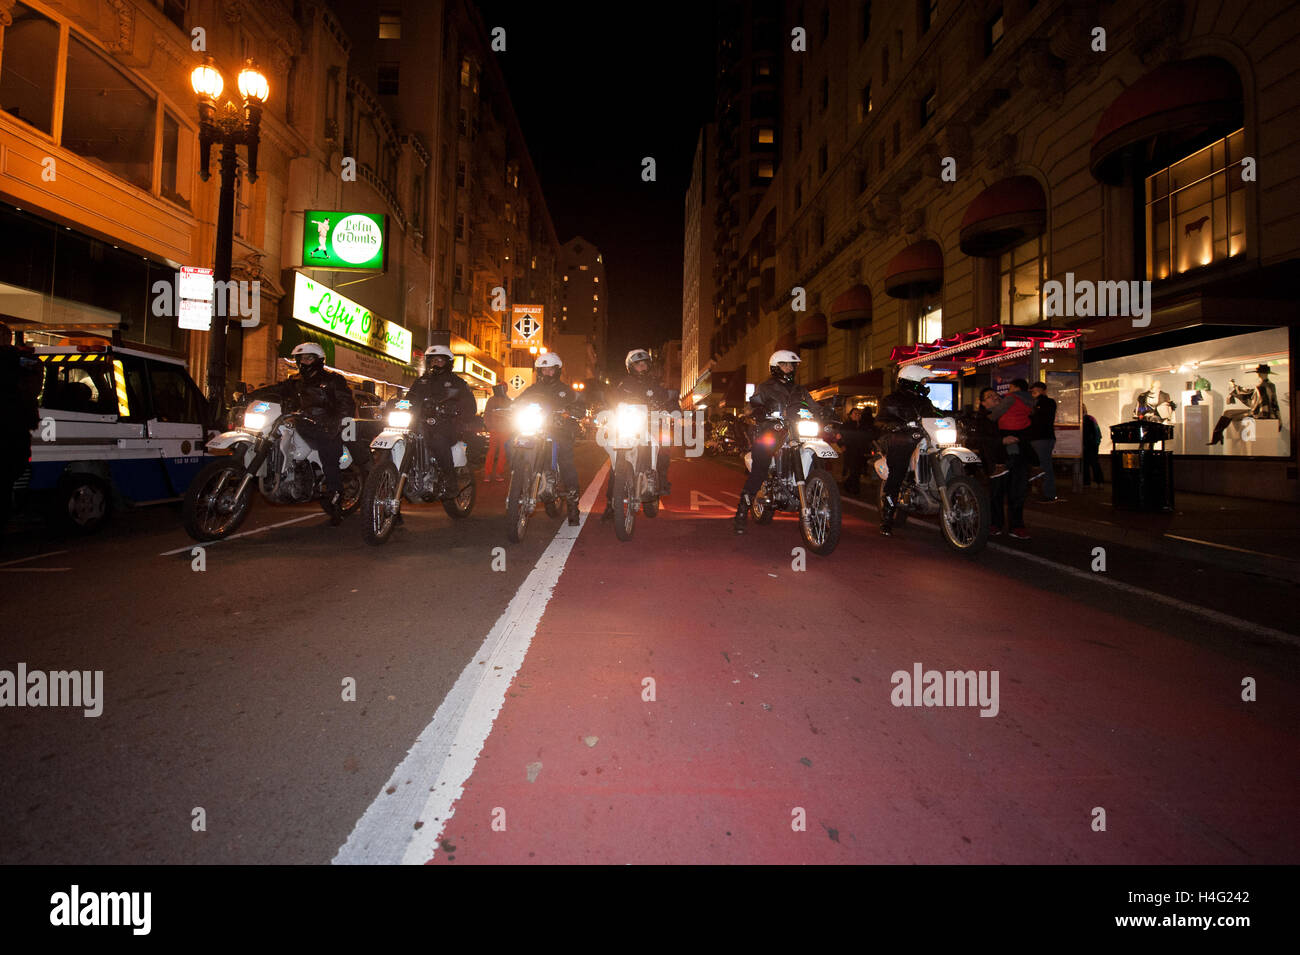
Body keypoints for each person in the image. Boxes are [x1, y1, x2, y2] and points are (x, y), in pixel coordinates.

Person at [733, 349, 824, 535]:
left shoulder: (800, 390)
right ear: (775, 367)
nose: (789, 368)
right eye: (785, 364)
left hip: (796, 432)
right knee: (760, 468)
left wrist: (825, 412)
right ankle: (742, 511)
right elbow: (752, 405)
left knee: (815, 454)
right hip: (771, 431)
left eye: (792, 365)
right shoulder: (765, 388)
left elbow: (813, 406)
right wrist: (756, 411)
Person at [282, 342, 356, 524]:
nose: (304, 362)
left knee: (329, 459)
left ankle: (336, 501)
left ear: (319, 360)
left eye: (308, 358)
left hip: (325, 426)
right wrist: (250, 396)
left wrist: (335, 423)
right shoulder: (295, 381)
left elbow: (346, 404)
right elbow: (276, 391)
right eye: (301, 359)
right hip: (302, 424)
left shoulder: (332, 380)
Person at [602, 348, 676, 521]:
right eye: (638, 364)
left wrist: (671, 409)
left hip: (652, 425)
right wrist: (605, 408)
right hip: (630, 425)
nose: (641, 367)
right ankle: (611, 504)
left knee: (664, 448)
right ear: (630, 367)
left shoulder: (656, 385)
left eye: (644, 364)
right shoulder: (623, 385)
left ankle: (661, 483)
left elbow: (669, 399)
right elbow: (611, 399)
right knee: (617, 462)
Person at [513, 352, 583, 524]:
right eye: (544, 370)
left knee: (566, 459)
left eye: (551, 370)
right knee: (515, 445)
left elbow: (579, 406)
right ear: (539, 371)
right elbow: (517, 402)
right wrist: (510, 408)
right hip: (536, 430)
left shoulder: (565, 391)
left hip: (559, 432)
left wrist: (573, 412)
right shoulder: (532, 389)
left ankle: (573, 502)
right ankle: (519, 481)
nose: (547, 373)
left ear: (557, 371)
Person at [403, 345, 478, 498]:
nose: (436, 364)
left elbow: (470, 405)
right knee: (402, 441)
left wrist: (455, 411)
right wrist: (398, 405)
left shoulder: (457, 383)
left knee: (438, 441)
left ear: (448, 362)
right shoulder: (421, 381)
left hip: (447, 426)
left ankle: (451, 482)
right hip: (420, 423)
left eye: (439, 361)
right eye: (433, 361)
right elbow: (409, 399)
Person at [874, 365, 941, 536]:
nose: (925, 384)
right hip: (901, 438)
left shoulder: (924, 401)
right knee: (897, 471)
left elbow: (936, 414)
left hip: (923, 437)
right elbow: (880, 421)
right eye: (923, 381)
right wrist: (895, 425)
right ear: (913, 381)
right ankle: (887, 518)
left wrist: (955, 416)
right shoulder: (891, 400)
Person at [987, 379, 1037, 539]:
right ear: (981, 402)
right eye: (989, 396)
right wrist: (1001, 441)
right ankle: (997, 523)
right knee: (998, 492)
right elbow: (982, 440)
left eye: (996, 395)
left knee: (1017, 490)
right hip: (999, 457)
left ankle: (1015, 525)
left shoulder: (1009, 403)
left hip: (1016, 454)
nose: (995, 397)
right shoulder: (983, 419)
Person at [1029, 380, 1061, 502]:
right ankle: (1042, 491)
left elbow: (1041, 416)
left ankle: (1048, 493)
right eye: (1033, 390)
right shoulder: (1034, 402)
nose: (1034, 393)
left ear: (1043, 391)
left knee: (1044, 465)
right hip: (1037, 438)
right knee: (1039, 465)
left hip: (1043, 438)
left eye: (1037, 390)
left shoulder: (1047, 402)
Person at [482, 382, 511, 482]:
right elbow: (486, 414)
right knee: (491, 452)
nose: (504, 389)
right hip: (495, 430)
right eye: (503, 387)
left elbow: (512, 416)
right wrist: (490, 427)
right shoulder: (492, 400)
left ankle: (498, 473)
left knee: (502, 453)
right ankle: (488, 473)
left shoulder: (508, 401)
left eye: (505, 387)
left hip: (505, 431)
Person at [1082, 402, 1103, 486]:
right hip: (1084, 445)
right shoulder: (1079, 419)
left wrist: (1096, 443)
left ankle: (1099, 482)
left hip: (1091, 445)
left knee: (1094, 463)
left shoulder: (1090, 419)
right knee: (1085, 465)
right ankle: (1086, 482)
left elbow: (1097, 433)